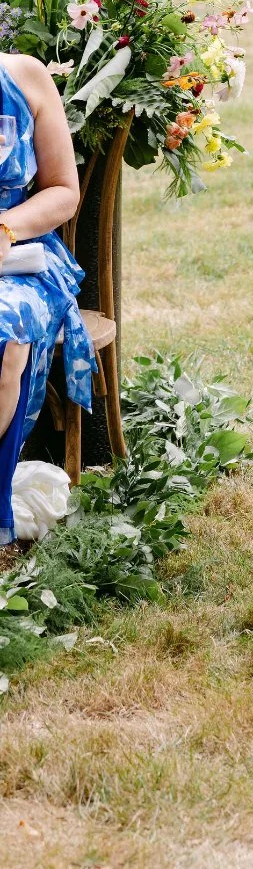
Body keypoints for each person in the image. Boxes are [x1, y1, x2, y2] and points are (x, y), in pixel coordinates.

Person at [0, 54, 94, 545]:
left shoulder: (25, 76)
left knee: (4, 335)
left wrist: (6, 227)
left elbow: (63, 191)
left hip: (18, 257)